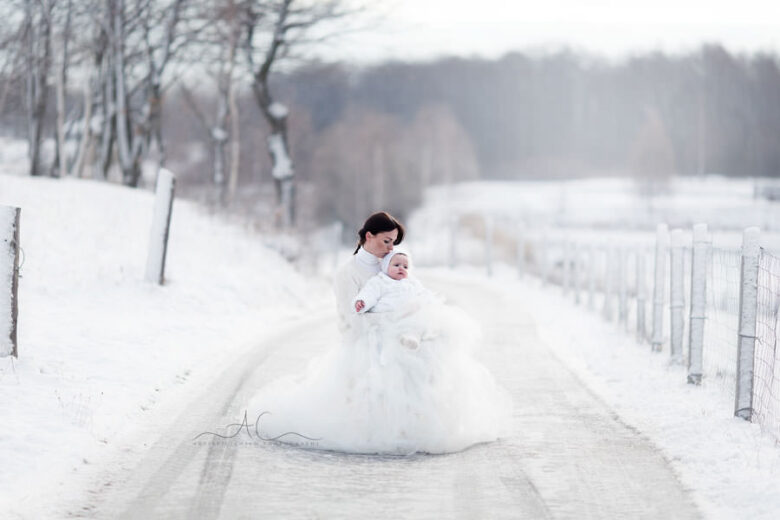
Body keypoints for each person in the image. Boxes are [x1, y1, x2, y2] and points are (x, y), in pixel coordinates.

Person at [248, 211, 512, 455]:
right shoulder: (348, 272)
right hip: (366, 343)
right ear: (368, 236)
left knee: (432, 354)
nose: (390, 248)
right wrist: (395, 321)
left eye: (394, 243)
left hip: (402, 337)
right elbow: (349, 319)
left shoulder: (391, 263)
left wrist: (417, 314)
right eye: (386, 241)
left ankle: (416, 427)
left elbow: (410, 292)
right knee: (381, 381)